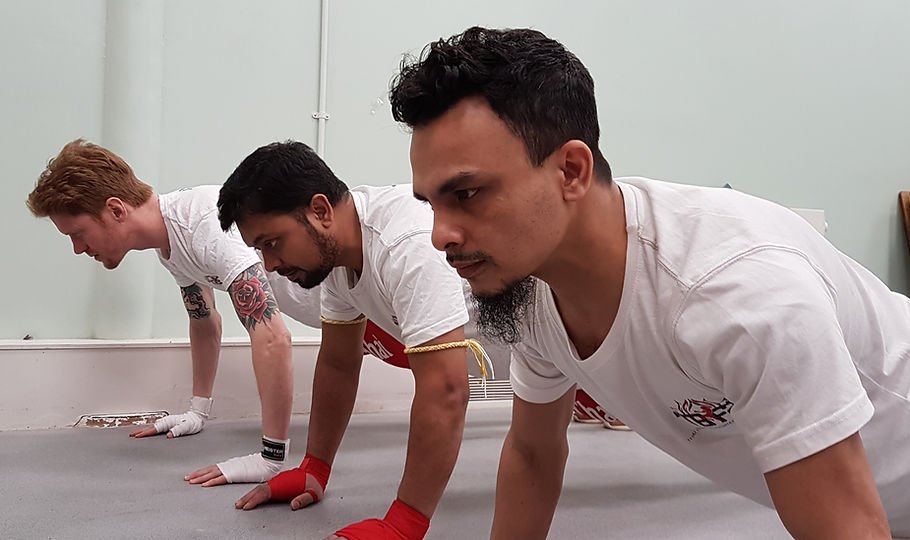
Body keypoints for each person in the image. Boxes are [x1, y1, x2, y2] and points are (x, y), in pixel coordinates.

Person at [390, 26, 910, 539]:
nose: (439, 235)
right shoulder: (532, 289)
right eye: (430, 204)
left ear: (570, 171)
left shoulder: (736, 293)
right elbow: (533, 454)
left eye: (467, 194)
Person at [25, 139, 410, 490]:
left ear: (115, 209)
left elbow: (273, 337)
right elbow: (204, 321)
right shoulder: (170, 246)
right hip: (350, 315)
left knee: (444, 373)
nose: (78, 248)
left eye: (77, 233)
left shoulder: (200, 224)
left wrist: (271, 457)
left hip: (373, 310)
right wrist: (198, 410)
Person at [218, 140, 504, 540]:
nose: (268, 264)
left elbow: (447, 389)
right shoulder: (338, 257)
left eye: (272, 242)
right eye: (259, 249)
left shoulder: (404, 242)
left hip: (557, 326)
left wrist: (404, 524)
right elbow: (339, 361)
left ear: (320, 211)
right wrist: (314, 468)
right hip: (518, 344)